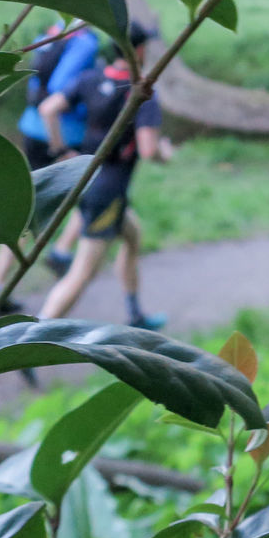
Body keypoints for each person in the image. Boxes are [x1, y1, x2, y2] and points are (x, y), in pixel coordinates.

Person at [37, 22, 173, 329]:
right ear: (139, 50)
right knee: (82, 273)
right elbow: (149, 150)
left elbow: (48, 109)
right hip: (107, 192)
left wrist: (61, 152)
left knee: (132, 236)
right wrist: (166, 152)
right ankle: (28, 338)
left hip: (84, 180)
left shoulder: (91, 77)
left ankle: (136, 314)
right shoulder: (142, 94)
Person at [0, 22, 99, 308]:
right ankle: (61, 251)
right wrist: (60, 148)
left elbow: (36, 80)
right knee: (92, 193)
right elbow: (61, 88)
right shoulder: (86, 43)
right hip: (62, 132)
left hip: (31, 127)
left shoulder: (49, 32)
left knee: (27, 206)